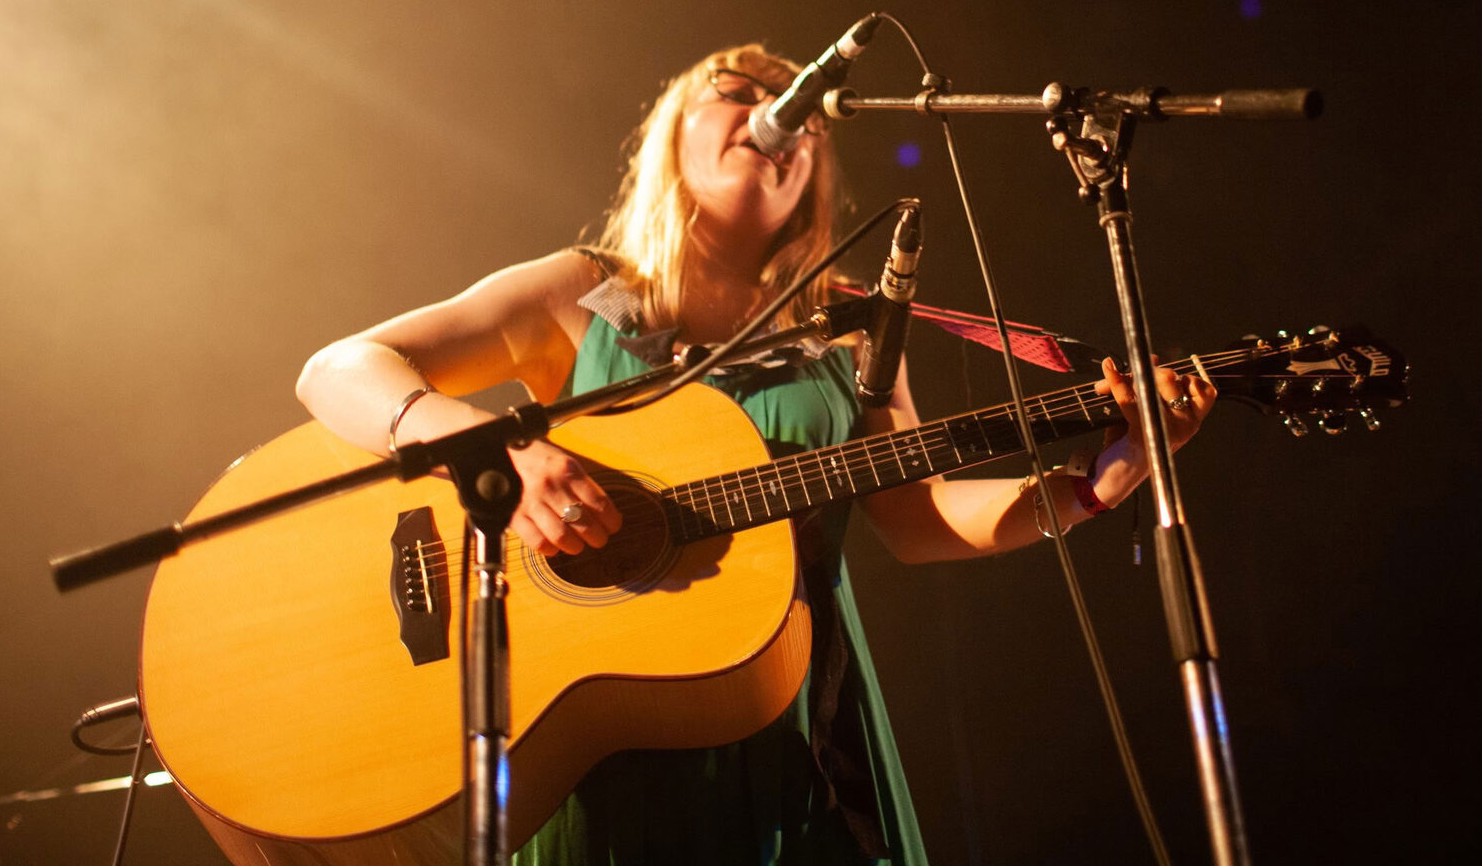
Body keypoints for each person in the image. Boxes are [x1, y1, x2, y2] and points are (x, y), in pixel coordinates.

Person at [295, 42, 1217, 864]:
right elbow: (339, 369)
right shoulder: (581, 292)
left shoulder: (851, 329)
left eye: (805, 117)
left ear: (813, 177)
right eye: (738, 91)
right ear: (673, 135)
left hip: (795, 745)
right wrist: (488, 454)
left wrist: (1113, 474)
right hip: (599, 745)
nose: (781, 113)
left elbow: (924, 518)